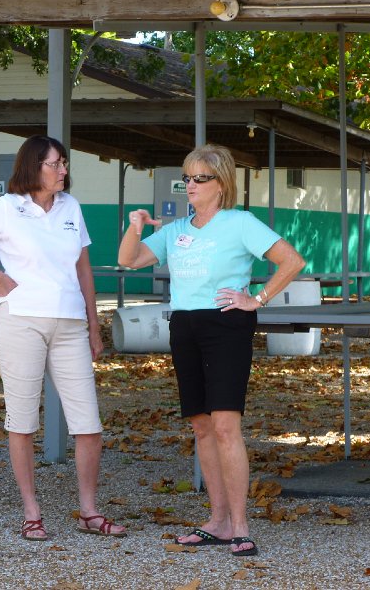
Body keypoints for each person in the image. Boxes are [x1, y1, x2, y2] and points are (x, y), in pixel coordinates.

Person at [118, 144, 305, 557]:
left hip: (226, 324)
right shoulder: (176, 230)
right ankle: (217, 521)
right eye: (186, 177)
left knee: (224, 425)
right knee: (201, 426)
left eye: (200, 178)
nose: (190, 185)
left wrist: (257, 299)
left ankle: (240, 526)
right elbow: (129, 259)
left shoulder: (240, 222)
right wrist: (135, 226)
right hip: (185, 325)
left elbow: (292, 261)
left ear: (221, 184)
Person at [0, 135, 126, 541]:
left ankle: (89, 511)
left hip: (71, 325)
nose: (63, 170)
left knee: (88, 423)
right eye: (55, 163)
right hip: (21, 322)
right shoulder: (7, 207)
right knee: (23, 421)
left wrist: (94, 325)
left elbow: (83, 270)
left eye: (64, 163)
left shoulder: (71, 207)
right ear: (33, 166)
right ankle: (31, 512)